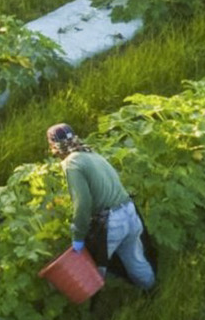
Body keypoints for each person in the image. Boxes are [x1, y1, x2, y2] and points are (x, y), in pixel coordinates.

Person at [48, 123, 155, 289]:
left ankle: (94, 309)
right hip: (130, 211)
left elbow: (82, 202)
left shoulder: (71, 163)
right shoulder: (92, 154)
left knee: (93, 271)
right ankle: (152, 293)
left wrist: (78, 237)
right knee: (136, 261)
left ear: (54, 146)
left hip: (112, 221)